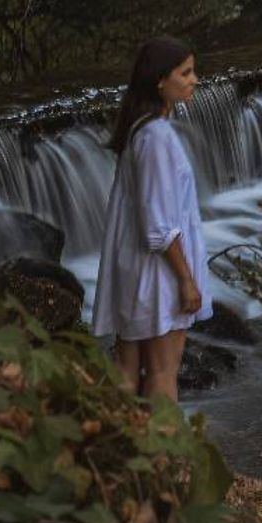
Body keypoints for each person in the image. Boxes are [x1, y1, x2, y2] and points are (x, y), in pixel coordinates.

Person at [91, 36, 211, 401]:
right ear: (161, 80)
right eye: (185, 73)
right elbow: (159, 226)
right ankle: (166, 455)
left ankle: (119, 447)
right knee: (162, 374)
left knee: (127, 367)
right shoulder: (157, 137)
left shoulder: (139, 130)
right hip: (158, 276)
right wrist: (187, 280)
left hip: (131, 269)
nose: (194, 80)